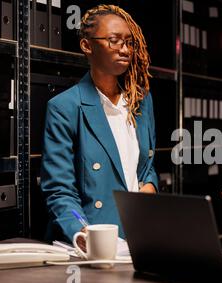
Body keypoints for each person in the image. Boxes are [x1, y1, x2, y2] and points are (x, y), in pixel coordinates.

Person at [40, 5, 158, 244]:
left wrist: (150, 189)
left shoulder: (141, 101)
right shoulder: (65, 107)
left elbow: (147, 167)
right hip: (93, 241)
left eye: (129, 42)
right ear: (87, 46)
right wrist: (82, 229)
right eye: (114, 41)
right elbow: (59, 191)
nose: (124, 49)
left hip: (138, 236)